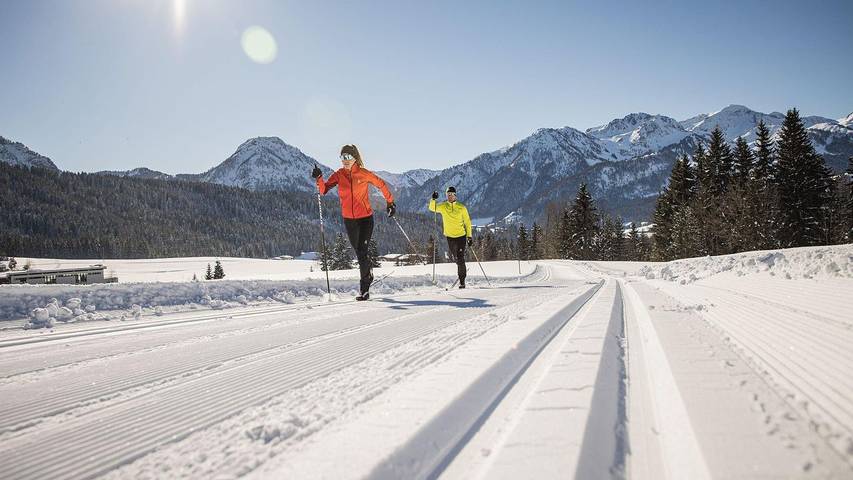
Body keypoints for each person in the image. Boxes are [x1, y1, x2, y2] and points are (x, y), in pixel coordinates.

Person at [312, 144, 395, 301]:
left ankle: (364, 289)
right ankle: (368, 271)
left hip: (365, 219)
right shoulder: (339, 175)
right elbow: (323, 190)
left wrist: (390, 202)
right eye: (342, 157)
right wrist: (319, 178)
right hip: (349, 220)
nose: (345, 160)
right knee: (359, 252)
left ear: (355, 158)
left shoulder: (363, 173)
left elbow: (381, 184)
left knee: (362, 251)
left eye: (348, 157)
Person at [428, 186, 473, 288]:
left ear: (455, 195)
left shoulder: (462, 207)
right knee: (456, 258)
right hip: (450, 237)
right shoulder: (443, 206)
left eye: (452, 194)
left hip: (461, 236)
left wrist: (469, 236)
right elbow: (432, 208)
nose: (450, 196)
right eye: (448, 194)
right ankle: (461, 268)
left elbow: (467, 222)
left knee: (460, 257)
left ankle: (462, 280)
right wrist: (433, 199)